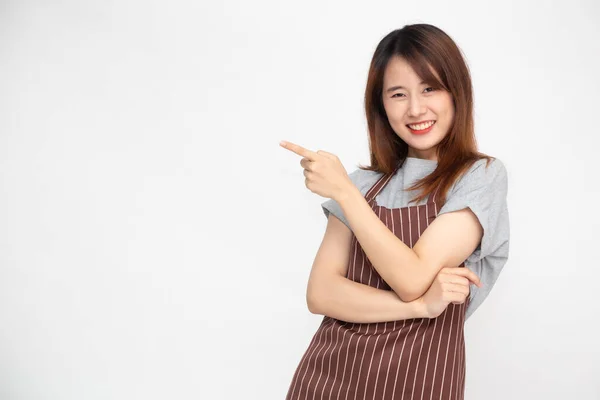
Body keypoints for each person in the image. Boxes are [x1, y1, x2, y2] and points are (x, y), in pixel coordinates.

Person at [279, 23, 510, 400]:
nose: (416, 109)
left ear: (457, 92)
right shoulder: (362, 182)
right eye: (398, 94)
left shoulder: (480, 177)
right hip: (327, 379)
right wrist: (421, 306)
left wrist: (345, 194)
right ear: (381, 106)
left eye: (430, 88)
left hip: (420, 384)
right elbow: (321, 293)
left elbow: (413, 275)